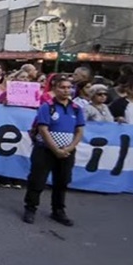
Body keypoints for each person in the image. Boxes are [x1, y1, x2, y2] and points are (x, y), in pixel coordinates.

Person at [23, 75, 84, 227]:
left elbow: (79, 131)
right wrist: (55, 149)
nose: (66, 90)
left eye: (69, 87)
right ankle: (30, 208)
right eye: (62, 87)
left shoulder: (76, 109)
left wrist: (69, 148)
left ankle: (58, 210)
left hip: (66, 151)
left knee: (62, 181)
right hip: (45, 149)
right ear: (55, 89)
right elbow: (43, 129)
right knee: (37, 180)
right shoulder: (47, 106)